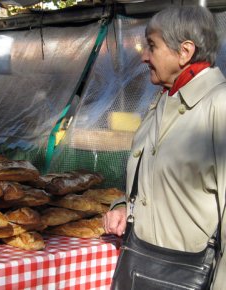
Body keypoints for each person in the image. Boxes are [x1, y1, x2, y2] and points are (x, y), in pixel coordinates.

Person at [103, 5, 226, 289]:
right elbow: (153, 178)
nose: (144, 56)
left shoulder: (219, 106)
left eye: (152, 46)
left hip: (188, 273)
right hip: (141, 265)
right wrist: (125, 206)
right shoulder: (162, 100)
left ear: (185, 52)